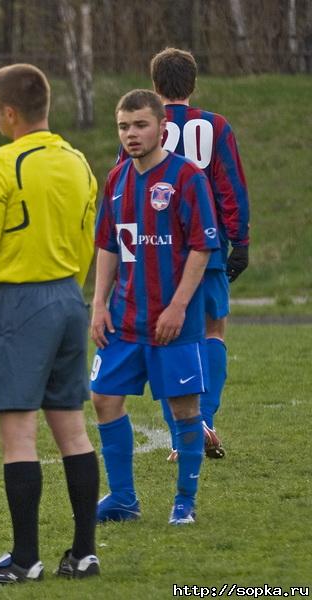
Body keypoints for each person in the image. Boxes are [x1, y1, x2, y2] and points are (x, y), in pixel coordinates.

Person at [0, 64, 101, 583]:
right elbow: (87, 232)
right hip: (69, 297)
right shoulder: (78, 161)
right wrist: (69, 285)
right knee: (73, 429)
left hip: (20, 303)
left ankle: (25, 558)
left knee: (18, 435)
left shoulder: (3, 164)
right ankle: (83, 553)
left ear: (8, 113)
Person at [91, 89, 219, 526]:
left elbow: (203, 247)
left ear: (162, 127)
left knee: (185, 409)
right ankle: (124, 499)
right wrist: (98, 305)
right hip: (125, 319)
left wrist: (179, 307)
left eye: (140, 125)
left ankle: (185, 501)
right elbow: (108, 244)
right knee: (104, 398)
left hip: (172, 324)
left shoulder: (187, 178)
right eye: (124, 126)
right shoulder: (116, 179)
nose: (131, 134)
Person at [149, 48, 250, 461]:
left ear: (155, 86)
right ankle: (204, 418)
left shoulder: (144, 123)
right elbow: (231, 188)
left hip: (156, 251)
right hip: (204, 248)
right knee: (212, 332)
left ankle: (181, 434)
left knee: (164, 338)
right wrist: (239, 241)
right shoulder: (214, 127)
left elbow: (123, 186)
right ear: (193, 84)